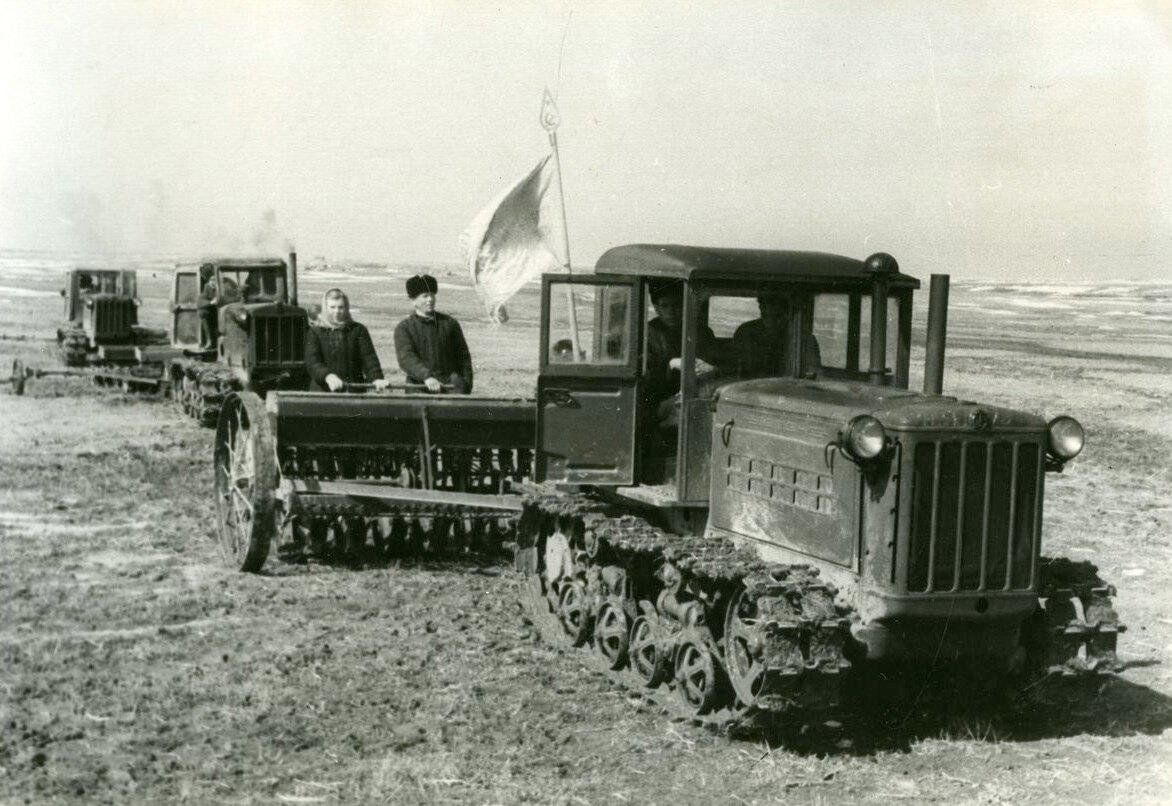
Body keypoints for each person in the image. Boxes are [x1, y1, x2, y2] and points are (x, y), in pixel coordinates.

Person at [642, 280, 720, 410]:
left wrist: (711, 368)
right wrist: (671, 364)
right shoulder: (647, 333)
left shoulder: (702, 333)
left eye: (676, 305)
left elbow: (716, 363)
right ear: (656, 308)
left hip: (698, 396)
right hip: (660, 398)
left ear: (684, 305)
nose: (671, 311)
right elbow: (646, 376)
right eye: (664, 306)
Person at [393, 274, 473, 394]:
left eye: (432, 295)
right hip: (418, 388)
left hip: (450, 387)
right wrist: (427, 377)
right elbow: (407, 358)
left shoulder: (450, 324)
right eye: (425, 296)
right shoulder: (404, 328)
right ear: (414, 300)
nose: (430, 299)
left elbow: (463, 357)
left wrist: (466, 384)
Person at [304, 288, 389, 392]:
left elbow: (369, 359)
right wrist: (328, 376)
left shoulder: (358, 330)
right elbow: (313, 362)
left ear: (346, 307)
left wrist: (376, 378)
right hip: (323, 392)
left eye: (340, 307)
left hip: (353, 390)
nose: (337, 311)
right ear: (325, 308)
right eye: (332, 307)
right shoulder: (315, 332)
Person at [732, 293, 821, 379]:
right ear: (760, 307)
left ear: (788, 310)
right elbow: (732, 368)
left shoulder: (804, 340)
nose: (768, 310)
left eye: (777, 315)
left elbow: (813, 374)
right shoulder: (745, 332)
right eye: (764, 305)